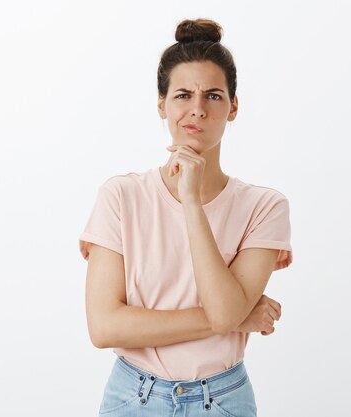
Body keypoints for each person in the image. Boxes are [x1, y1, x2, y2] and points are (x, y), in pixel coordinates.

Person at [78, 18, 293, 417]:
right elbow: (105, 328)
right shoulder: (120, 196)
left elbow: (224, 313)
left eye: (213, 96)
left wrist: (191, 202)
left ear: (233, 107)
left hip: (223, 400)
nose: (197, 109)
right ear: (162, 104)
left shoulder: (265, 207)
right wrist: (238, 318)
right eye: (182, 95)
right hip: (133, 397)